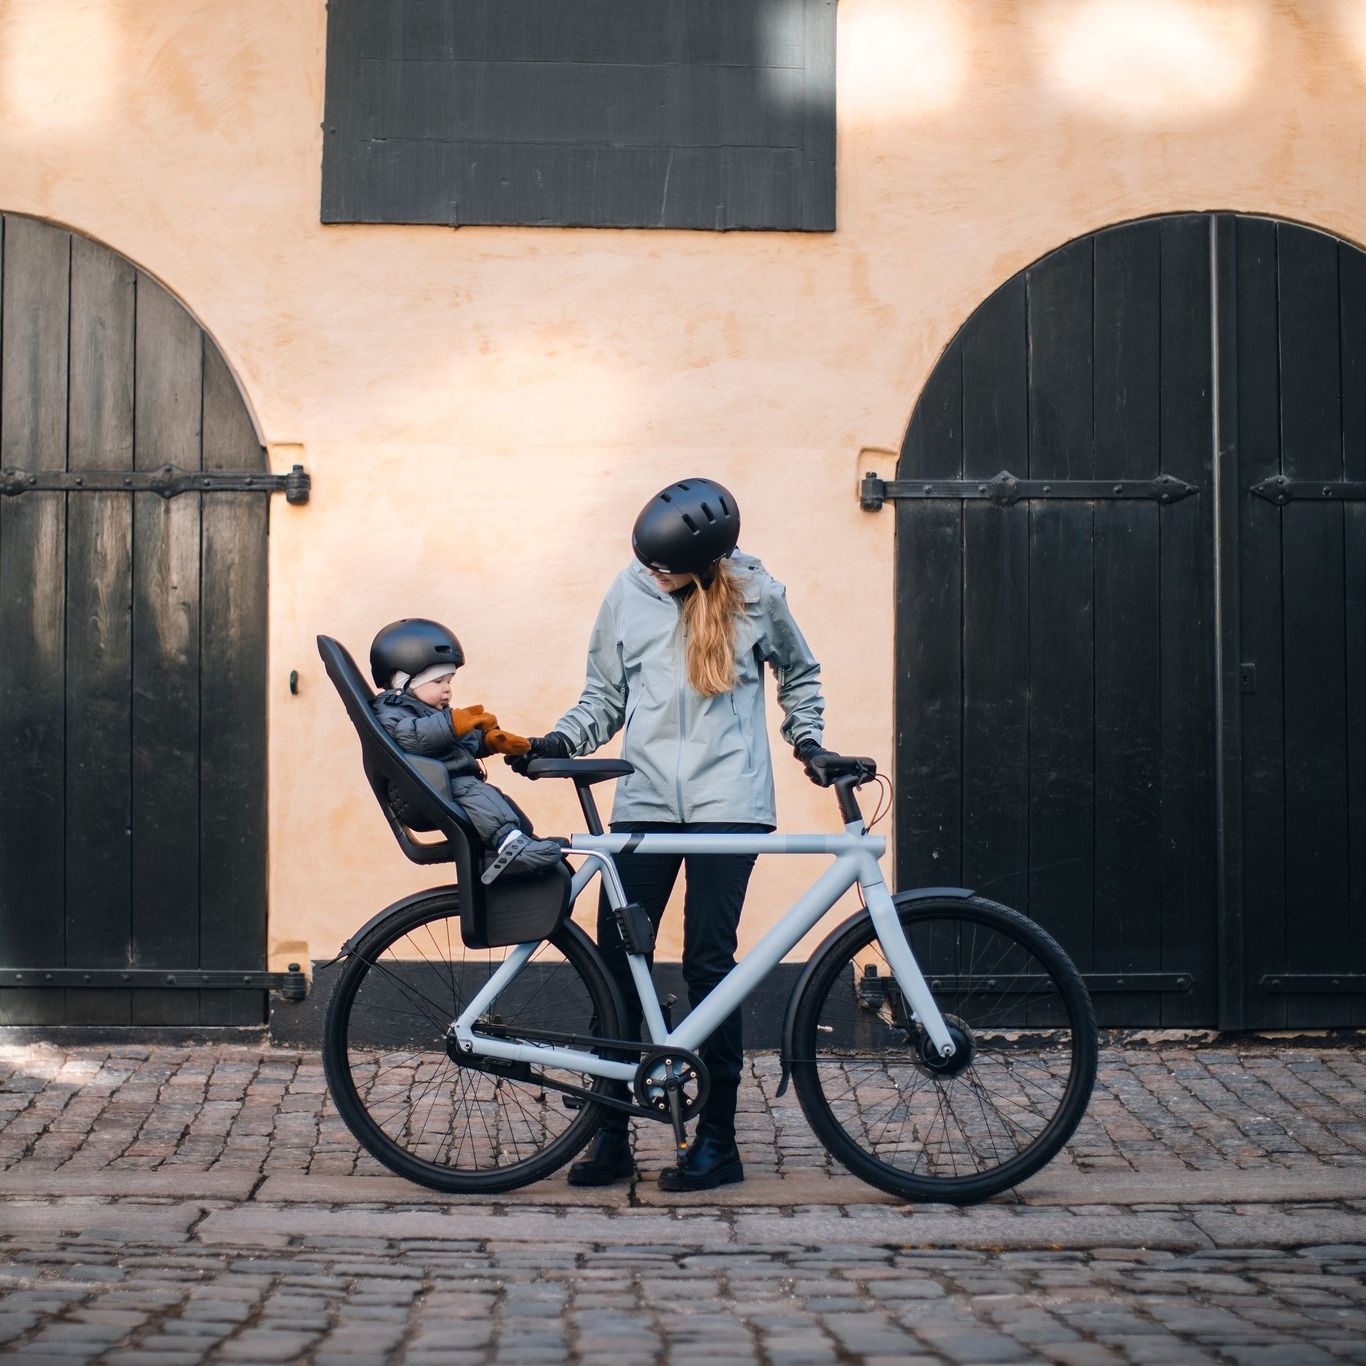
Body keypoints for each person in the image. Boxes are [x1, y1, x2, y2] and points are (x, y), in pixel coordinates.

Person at [510, 478, 856, 1191]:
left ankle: (718, 1142)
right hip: (642, 802)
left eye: (666, 568)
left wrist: (809, 741)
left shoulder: (756, 593)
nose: (653, 575)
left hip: (729, 801)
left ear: (704, 562)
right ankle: (609, 1134)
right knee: (614, 962)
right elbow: (604, 695)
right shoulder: (626, 593)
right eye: (647, 563)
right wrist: (560, 739)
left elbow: (801, 674)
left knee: (708, 963)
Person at [369, 618, 564, 875]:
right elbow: (412, 737)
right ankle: (512, 846)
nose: (447, 690)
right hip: (426, 788)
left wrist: (488, 740)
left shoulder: (428, 710)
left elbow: (456, 740)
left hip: (446, 783)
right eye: (438, 682)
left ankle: (525, 842)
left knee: (497, 799)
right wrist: (454, 722)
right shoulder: (392, 710)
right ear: (404, 680)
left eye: (449, 681)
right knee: (480, 796)